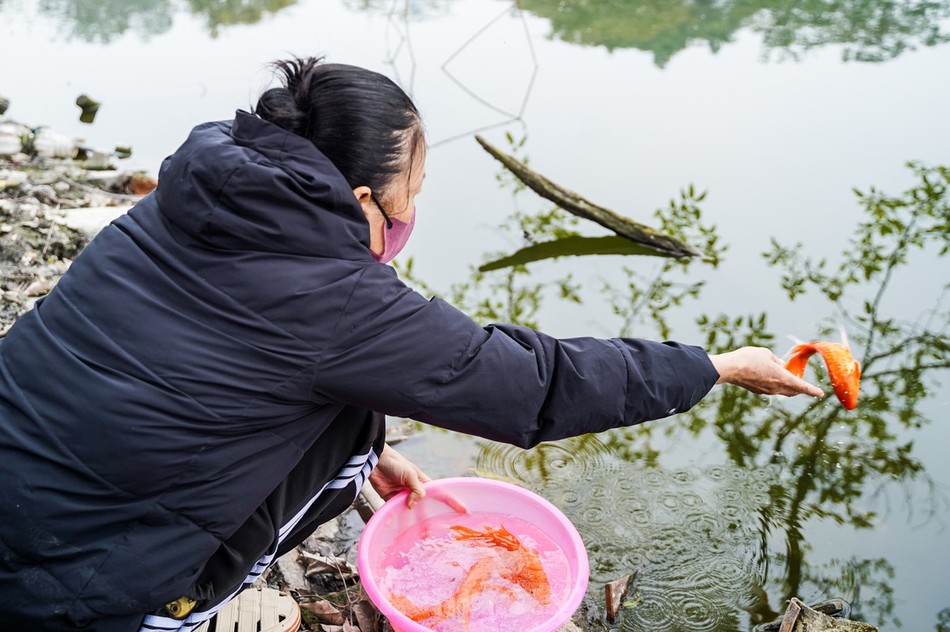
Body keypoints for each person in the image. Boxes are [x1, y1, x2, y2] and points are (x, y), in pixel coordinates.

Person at [0, 57, 822, 632]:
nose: (412, 211)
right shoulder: (337, 299)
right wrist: (711, 366)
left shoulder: (188, 205)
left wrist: (365, 454)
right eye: (412, 192)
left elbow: (238, 368)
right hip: (71, 584)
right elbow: (534, 385)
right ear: (362, 199)